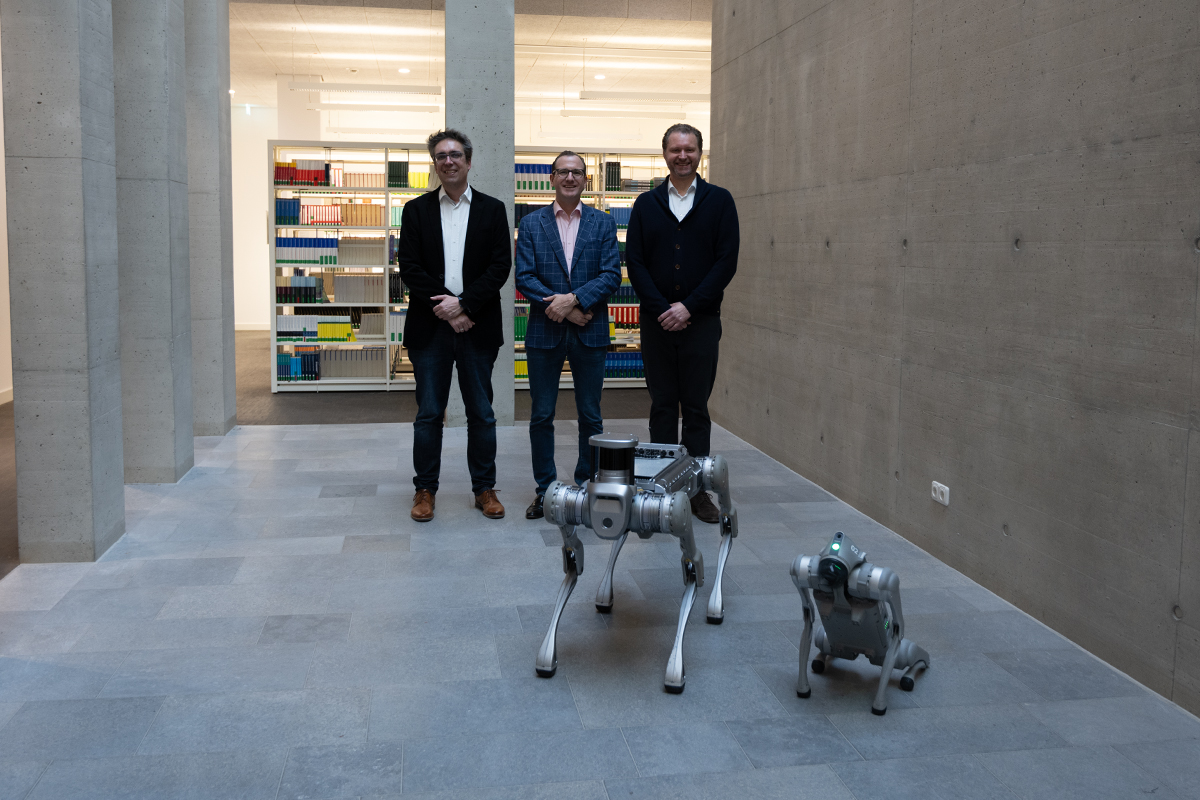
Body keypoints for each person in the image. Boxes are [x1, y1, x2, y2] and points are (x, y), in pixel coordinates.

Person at [625, 123, 740, 523]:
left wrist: (687, 307)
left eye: (689, 149)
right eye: (675, 149)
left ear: (699, 153)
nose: (682, 155)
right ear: (665, 155)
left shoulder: (720, 201)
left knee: (695, 409)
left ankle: (695, 492)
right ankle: (662, 487)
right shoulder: (645, 204)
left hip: (702, 323)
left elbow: (726, 262)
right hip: (657, 325)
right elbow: (634, 262)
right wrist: (663, 309)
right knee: (660, 407)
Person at [397, 129, 512, 522]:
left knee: (482, 412)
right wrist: (448, 308)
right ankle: (424, 490)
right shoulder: (415, 210)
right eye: (441, 155)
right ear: (434, 162)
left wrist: (463, 305)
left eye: (455, 155)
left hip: (477, 327)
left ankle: (485, 489)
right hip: (430, 329)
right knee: (429, 413)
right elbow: (409, 267)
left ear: (468, 160)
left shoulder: (493, 210)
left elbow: (500, 266)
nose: (448, 161)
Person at [515, 151, 622, 519]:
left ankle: (585, 488)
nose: (570, 178)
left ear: (585, 179)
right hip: (545, 333)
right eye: (563, 171)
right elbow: (524, 277)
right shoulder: (530, 224)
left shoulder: (603, 223)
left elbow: (611, 274)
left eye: (577, 172)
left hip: (589, 332)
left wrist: (574, 301)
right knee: (541, 415)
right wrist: (562, 309)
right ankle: (545, 491)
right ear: (552, 178)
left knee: (590, 415)